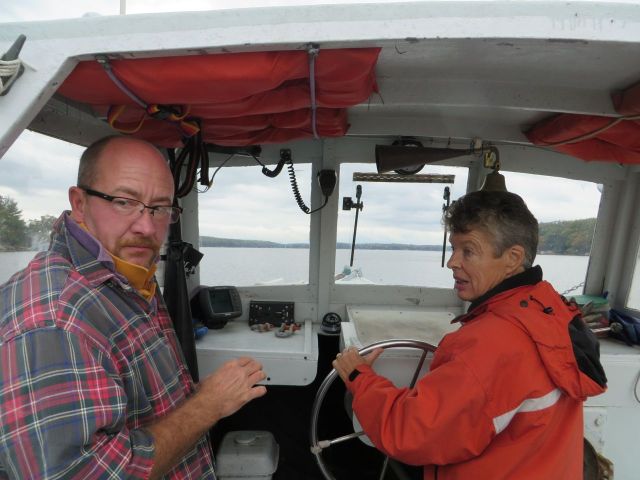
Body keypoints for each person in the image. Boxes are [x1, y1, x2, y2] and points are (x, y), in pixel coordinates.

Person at [0, 136, 267, 479]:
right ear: (79, 203)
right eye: (125, 202)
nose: (146, 227)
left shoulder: (124, 272)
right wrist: (207, 406)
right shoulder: (53, 320)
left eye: (160, 208)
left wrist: (195, 397)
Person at [333, 190, 607, 480]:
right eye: (453, 249)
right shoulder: (549, 312)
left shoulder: (494, 342)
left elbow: (413, 433)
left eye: (468, 251)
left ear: (512, 258)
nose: (452, 262)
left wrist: (359, 378)